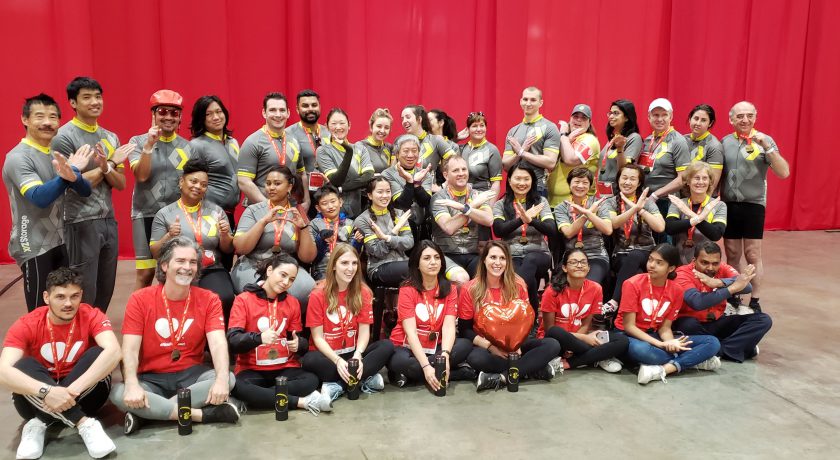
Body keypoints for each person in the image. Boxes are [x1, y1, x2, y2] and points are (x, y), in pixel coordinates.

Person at [110, 237, 240, 434]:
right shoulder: (140, 299)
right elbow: (130, 349)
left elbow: (218, 343)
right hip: (151, 379)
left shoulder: (209, 299)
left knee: (228, 378)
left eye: (192, 262)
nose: (187, 267)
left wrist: (221, 379)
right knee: (118, 392)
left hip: (192, 376)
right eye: (180, 261)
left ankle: (147, 414)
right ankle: (202, 415)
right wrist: (132, 384)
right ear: (164, 265)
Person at [0, 268, 120, 459]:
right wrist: (48, 392)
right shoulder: (27, 323)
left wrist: (68, 392)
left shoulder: (91, 315)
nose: (68, 303)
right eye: (60, 297)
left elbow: (114, 352)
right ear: (46, 297)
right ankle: (83, 423)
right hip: (39, 396)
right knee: (23, 366)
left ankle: (38, 423)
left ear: (81, 295)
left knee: (99, 353)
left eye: (74, 296)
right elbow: (3, 373)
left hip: (84, 396)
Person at [3, 93, 92, 311]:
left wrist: (74, 175)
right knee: (38, 310)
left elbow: (85, 191)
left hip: (59, 241)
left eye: (53, 117)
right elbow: (40, 198)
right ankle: (35, 347)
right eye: (39, 116)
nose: (47, 122)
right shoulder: (18, 157)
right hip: (32, 245)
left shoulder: (56, 155)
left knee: (61, 305)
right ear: (25, 119)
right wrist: (70, 172)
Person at [51, 76, 134, 312]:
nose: (94, 102)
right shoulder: (64, 136)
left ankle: (97, 340)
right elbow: (71, 182)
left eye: (98, 96)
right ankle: (79, 342)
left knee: (105, 288)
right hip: (79, 220)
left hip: (108, 219)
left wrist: (108, 167)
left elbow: (120, 183)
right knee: (82, 288)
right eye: (86, 97)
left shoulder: (110, 137)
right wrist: (107, 164)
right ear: (73, 103)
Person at [227, 252, 333, 415]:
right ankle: (301, 402)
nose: (286, 283)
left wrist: (299, 344)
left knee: (311, 380)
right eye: (282, 275)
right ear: (269, 271)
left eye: (291, 279)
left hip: (284, 368)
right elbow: (233, 342)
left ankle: (259, 396)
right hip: (252, 369)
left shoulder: (292, 303)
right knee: (236, 384)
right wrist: (259, 338)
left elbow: (298, 339)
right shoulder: (243, 299)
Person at [458, 241, 561, 391]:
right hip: (487, 346)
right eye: (493, 257)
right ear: (484, 260)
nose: (497, 263)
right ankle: (530, 369)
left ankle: (503, 377)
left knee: (552, 344)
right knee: (476, 358)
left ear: (508, 262)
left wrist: (517, 345)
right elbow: (465, 329)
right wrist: (492, 347)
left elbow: (526, 322)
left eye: (502, 258)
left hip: (516, 345)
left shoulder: (518, 284)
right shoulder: (470, 288)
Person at [614, 244, 721, 385]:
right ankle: (693, 361)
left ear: (671, 268)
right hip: (629, 335)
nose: (651, 265)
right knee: (641, 350)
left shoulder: (676, 290)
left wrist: (670, 342)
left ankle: (665, 369)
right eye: (650, 260)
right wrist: (662, 344)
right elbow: (629, 327)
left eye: (659, 263)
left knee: (712, 342)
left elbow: (665, 328)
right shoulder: (632, 284)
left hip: (655, 334)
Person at [302, 244, 395, 401]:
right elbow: (317, 338)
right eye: (344, 263)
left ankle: (338, 384)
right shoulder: (318, 294)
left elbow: (365, 332)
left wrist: (358, 356)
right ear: (333, 266)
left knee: (386, 346)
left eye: (354, 263)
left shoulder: (363, 292)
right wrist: (337, 361)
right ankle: (362, 379)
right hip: (328, 356)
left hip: (352, 353)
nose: (350, 268)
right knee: (309, 360)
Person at [721, 101, 790, 313]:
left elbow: (783, 172)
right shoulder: (724, 142)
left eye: (749, 115)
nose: (745, 120)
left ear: (755, 118)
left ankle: (755, 300)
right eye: (740, 116)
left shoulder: (765, 140)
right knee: (732, 253)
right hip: (729, 204)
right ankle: (734, 296)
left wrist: (768, 148)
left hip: (754, 205)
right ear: (731, 119)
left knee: (752, 254)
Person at [149, 158, 236, 321]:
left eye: (203, 184)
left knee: (224, 297)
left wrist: (225, 235)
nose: (198, 187)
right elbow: (155, 252)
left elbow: (228, 249)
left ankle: (215, 344)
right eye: (193, 181)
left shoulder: (216, 211)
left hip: (211, 268)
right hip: (180, 268)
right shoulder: (165, 213)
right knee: (184, 302)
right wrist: (169, 236)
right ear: (182, 182)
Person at [388, 241, 474, 390]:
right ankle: (450, 373)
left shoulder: (450, 289)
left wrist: (445, 356)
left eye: (436, 257)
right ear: (417, 263)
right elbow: (410, 333)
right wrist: (427, 366)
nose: (433, 262)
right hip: (406, 346)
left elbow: (448, 326)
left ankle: (415, 374)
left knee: (465, 345)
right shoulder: (407, 289)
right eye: (426, 258)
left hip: (435, 347)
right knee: (399, 361)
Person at [128, 89, 191, 290]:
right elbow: (141, 175)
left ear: (180, 117)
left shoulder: (188, 147)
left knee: (176, 269)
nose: (168, 117)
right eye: (163, 111)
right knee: (145, 273)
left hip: (176, 217)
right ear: (153, 114)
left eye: (174, 113)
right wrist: (148, 145)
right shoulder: (137, 142)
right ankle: (137, 321)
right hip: (145, 212)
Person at [231, 166, 316, 312]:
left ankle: (290, 332)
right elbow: (240, 247)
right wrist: (263, 221)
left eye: (277, 183)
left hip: (286, 267)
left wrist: (303, 228)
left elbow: (307, 257)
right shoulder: (254, 210)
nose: (271, 188)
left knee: (307, 289)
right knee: (264, 290)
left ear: (289, 186)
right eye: (268, 183)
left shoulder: (298, 213)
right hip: (253, 265)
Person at [674, 241, 772, 362]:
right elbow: (697, 302)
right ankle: (737, 348)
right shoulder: (682, 273)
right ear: (694, 260)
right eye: (704, 263)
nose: (710, 268)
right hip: (691, 325)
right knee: (688, 324)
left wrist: (719, 283)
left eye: (715, 263)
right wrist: (732, 288)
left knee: (763, 320)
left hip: (717, 322)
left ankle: (719, 350)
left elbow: (747, 287)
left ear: (720, 262)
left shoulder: (723, 268)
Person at [539, 250, 628, 373]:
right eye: (573, 262)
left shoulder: (595, 288)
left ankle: (567, 363)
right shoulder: (552, 291)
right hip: (557, 340)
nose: (579, 265)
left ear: (588, 267)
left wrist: (578, 341)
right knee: (556, 332)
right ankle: (597, 356)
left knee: (622, 341)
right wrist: (584, 339)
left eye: (583, 262)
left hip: (579, 340)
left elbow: (586, 324)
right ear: (565, 268)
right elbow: (550, 330)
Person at [492, 163, 556, 314]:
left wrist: (532, 220)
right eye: (518, 179)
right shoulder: (500, 204)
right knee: (530, 279)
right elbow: (499, 229)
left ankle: (513, 297)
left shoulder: (541, 202)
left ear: (532, 181)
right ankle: (531, 320)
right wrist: (522, 219)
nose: (522, 183)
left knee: (531, 260)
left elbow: (551, 230)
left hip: (539, 253)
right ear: (509, 181)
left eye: (526, 179)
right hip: (511, 254)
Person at [602, 163, 665, 313]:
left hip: (648, 254)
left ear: (639, 183)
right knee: (636, 274)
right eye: (624, 178)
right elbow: (613, 224)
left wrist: (640, 209)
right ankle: (636, 315)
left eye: (632, 179)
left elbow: (660, 227)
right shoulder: (609, 202)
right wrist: (633, 209)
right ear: (618, 180)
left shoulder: (647, 202)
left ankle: (614, 302)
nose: (627, 182)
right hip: (621, 254)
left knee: (637, 255)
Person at [430, 155, 496, 282]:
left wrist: (464, 208)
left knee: (488, 277)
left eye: (464, 169)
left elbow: (488, 220)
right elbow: (449, 228)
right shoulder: (439, 198)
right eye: (455, 171)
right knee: (462, 278)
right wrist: (472, 206)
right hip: (445, 254)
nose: (461, 174)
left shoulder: (476, 194)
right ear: (446, 175)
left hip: (473, 254)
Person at [236, 92, 307, 210]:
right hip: (261, 211)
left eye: (282, 110)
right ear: (264, 113)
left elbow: (301, 174)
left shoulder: (294, 140)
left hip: (290, 208)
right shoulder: (253, 142)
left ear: (288, 113)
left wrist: (307, 201)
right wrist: (268, 206)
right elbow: (244, 181)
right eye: (273, 110)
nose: (278, 114)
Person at [188, 95, 240, 237]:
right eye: (209, 114)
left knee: (227, 258)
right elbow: (190, 183)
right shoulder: (197, 145)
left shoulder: (233, 142)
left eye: (219, 111)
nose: (216, 117)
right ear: (201, 119)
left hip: (230, 215)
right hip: (208, 216)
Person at [554, 167, 613, 287]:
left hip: (596, 255)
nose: (580, 186)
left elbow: (608, 230)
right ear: (569, 183)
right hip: (571, 256)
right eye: (576, 182)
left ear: (590, 185)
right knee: (558, 287)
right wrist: (587, 214)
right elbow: (569, 233)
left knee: (589, 285)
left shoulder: (599, 203)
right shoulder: (561, 207)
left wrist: (588, 212)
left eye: (585, 183)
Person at [354, 176, 414, 287]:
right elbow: (377, 251)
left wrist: (387, 238)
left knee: (430, 265)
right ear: (370, 195)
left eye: (388, 191)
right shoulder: (362, 220)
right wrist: (395, 230)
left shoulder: (399, 214)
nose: (385, 196)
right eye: (380, 192)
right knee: (415, 269)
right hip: (379, 266)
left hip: (403, 261)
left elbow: (409, 243)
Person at [502, 87, 562, 197]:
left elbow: (551, 162)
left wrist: (522, 152)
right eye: (525, 99)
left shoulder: (549, 127)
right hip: (514, 188)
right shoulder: (513, 131)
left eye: (533, 100)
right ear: (520, 101)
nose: (528, 103)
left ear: (541, 103)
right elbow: (506, 165)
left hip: (537, 187)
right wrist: (519, 153)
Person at [637, 98, 690, 220]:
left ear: (671, 117)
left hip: (667, 202)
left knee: (664, 239)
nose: (660, 119)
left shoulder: (678, 141)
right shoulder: (647, 140)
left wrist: (656, 195)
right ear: (649, 117)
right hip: (645, 200)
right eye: (655, 115)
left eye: (664, 115)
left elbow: (683, 178)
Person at [316, 108, 375, 217]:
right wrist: (348, 151)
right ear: (327, 126)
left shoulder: (360, 148)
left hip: (359, 211)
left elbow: (369, 176)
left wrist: (342, 188)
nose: (338, 127)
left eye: (342, 123)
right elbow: (336, 180)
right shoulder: (323, 151)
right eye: (334, 123)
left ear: (349, 125)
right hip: (333, 213)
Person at [665, 161, 727, 264]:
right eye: (696, 178)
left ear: (710, 182)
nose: (701, 182)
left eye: (705, 178)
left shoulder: (719, 205)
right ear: (688, 182)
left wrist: (689, 213)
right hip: (679, 259)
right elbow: (670, 228)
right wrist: (697, 218)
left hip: (706, 261)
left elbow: (715, 234)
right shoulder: (679, 203)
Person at [381, 134, 434, 239]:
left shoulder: (424, 173)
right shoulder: (387, 174)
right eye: (405, 151)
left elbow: (425, 202)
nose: (410, 155)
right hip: (398, 229)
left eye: (414, 151)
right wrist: (410, 182)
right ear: (397, 154)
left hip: (422, 227)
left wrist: (417, 184)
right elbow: (402, 203)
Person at [548, 103, 601, 206]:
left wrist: (563, 135)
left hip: (577, 206)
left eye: (583, 118)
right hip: (554, 203)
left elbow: (571, 160)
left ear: (589, 122)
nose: (578, 120)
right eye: (575, 116)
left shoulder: (590, 140)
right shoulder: (567, 140)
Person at [309, 184, 361, 281]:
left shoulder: (350, 223)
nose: (330, 206)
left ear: (340, 202)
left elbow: (354, 253)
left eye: (333, 201)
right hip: (323, 269)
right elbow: (314, 257)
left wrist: (358, 242)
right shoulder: (314, 224)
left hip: (346, 268)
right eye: (324, 203)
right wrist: (321, 240)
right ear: (318, 208)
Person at [286, 89, 331, 190]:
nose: (310, 109)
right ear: (297, 109)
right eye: (305, 106)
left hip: (327, 195)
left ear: (320, 107)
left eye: (314, 105)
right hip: (300, 195)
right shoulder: (288, 134)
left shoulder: (329, 132)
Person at [399, 105, 456, 182]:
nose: (404, 121)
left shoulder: (435, 140)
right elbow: (392, 171)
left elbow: (456, 163)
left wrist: (443, 186)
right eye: (402, 119)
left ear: (419, 119)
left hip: (428, 191)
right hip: (404, 190)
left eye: (408, 117)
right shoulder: (400, 142)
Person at [598, 99, 642, 197]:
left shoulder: (634, 138)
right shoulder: (613, 137)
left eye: (616, 113)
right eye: (610, 113)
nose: (611, 116)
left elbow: (625, 169)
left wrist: (620, 148)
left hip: (619, 194)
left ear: (626, 117)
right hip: (604, 194)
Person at [459, 111, 502, 202]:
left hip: (482, 200)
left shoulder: (492, 150)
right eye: (474, 126)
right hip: (461, 198)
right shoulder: (461, 149)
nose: (479, 129)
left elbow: (496, 183)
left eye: (482, 125)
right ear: (468, 129)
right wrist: (457, 138)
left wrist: (490, 207)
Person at [684, 104, 723, 193]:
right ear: (690, 119)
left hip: (703, 200)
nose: (698, 123)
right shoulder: (681, 140)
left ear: (710, 123)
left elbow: (712, 183)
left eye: (703, 120)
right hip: (681, 197)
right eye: (696, 118)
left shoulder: (714, 146)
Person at [355, 108, 394, 174]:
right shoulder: (360, 146)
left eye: (386, 128)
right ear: (371, 127)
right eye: (379, 126)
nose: (382, 131)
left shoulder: (389, 148)